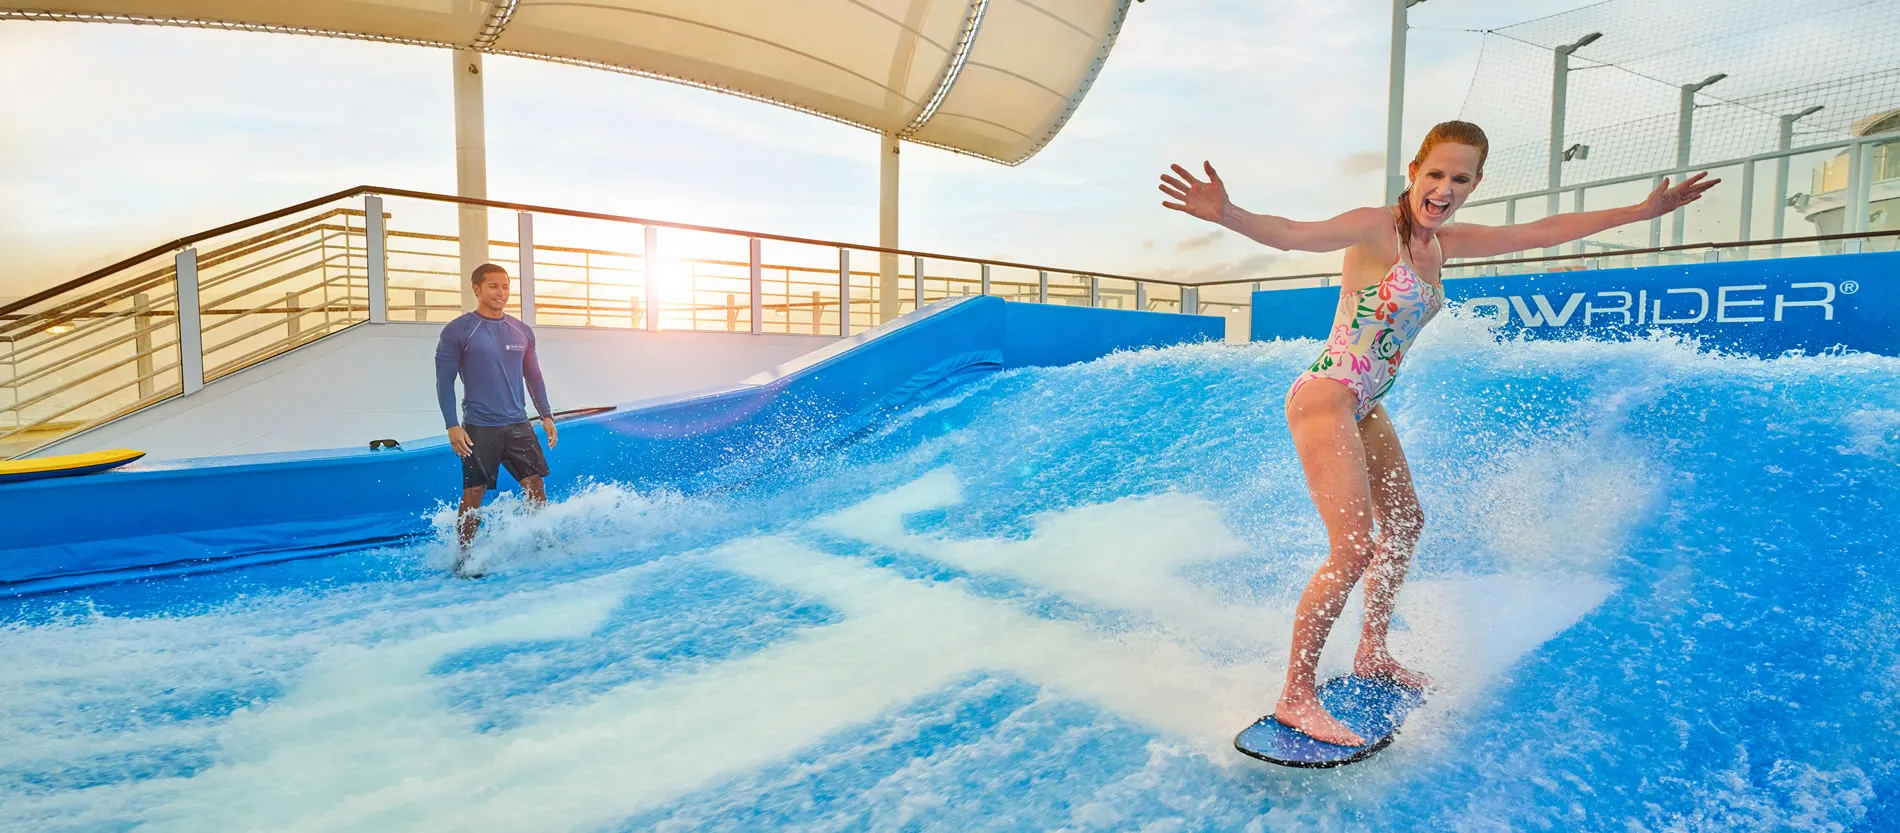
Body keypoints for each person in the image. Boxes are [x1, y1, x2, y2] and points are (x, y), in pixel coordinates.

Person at [1158, 121, 1717, 746]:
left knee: (1406, 522)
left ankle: (1372, 650)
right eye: (1436, 174)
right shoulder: (1377, 225)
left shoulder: (1445, 242)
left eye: (1460, 178)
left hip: (1366, 403)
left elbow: (1540, 231)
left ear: (1475, 184)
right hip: (1326, 397)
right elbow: (1292, 236)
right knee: (1353, 549)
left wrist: (1643, 211)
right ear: (1413, 174)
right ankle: (1296, 695)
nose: (1444, 188)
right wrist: (1227, 212)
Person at [435, 262, 559, 576]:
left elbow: (534, 376)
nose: (501, 293)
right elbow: (444, 381)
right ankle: (464, 557)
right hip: (479, 426)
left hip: (518, 424)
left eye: (505, 286)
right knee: (474, 493)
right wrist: (452, 425)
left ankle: (541, 542)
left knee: (535, 485)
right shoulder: (459, 330)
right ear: (476, 289)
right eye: (493, 286)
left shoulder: (521, 330)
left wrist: (545, 415)